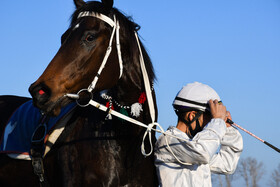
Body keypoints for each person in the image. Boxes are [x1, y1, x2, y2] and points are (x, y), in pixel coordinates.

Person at [154, 82, 243, 187]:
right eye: (210, 117)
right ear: (192, 116)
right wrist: (217, 120)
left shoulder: (194, 146)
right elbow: (202, 152)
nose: (211, 123)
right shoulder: (167, 142)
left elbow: (227, 164)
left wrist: (228, 130)